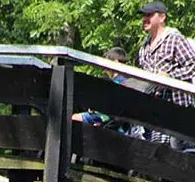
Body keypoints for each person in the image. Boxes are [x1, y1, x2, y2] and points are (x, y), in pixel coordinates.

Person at [137, 2, 195, 148]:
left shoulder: (174, 38)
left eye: (149, 15)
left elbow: (192, 65)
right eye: (144, 15)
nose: (145, 19)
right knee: (156, 152)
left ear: (162, 17)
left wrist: (169, 77)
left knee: (179, 154)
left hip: (178, 109)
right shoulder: (143, 48)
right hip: (154, 112)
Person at [72, 47, 148, 138]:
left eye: (106, 64)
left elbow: (107, 113)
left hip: (115, 129)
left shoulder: (115, 84)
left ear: (115, 62)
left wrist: (92, 112)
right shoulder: (132, 82)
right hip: (123, 128)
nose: (104, 69)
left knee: (73, 119)